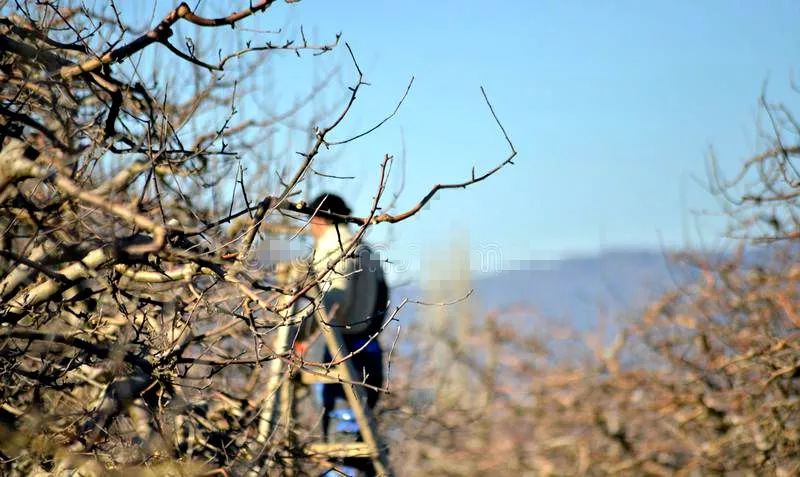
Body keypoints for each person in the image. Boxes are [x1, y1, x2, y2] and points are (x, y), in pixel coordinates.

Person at [303, 192, 388, 441]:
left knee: (342, 437)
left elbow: (332, 302)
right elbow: (383, 297)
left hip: (342, 350)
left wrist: (298, 332)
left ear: (319, 219)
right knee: (358, 436)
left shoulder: (334, 249)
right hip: (368, 347)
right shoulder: (365, 249)